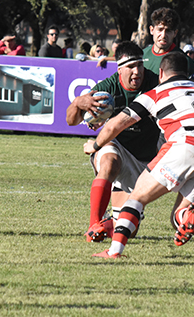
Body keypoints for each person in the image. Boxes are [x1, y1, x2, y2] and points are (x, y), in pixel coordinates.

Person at [89, 52, 194, 258]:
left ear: (160, 73)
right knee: (177, 218)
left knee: (137, 198)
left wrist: (95, 145)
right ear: (186, 73)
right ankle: (186, 215)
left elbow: (116, 124)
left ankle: (114, 251)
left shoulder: (155, 92)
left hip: (186, 144)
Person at [66, 41, 161, 242]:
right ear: (119, 69)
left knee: (128, 229)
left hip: (144, 161)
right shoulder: (108, 88)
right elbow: (71, 121)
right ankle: (94, 224)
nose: (137, 72)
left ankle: (108, 224)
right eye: (131, 67)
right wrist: (77, 103)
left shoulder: (155, 84)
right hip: (116, 147)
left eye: (140, 66)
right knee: (109, 162)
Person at [142, 8, 194, 79]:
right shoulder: (142, 55)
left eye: (168, 31)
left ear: (175, 33)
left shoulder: (186, 62)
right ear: (151, 30)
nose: (163, 35)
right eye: (160, 29)